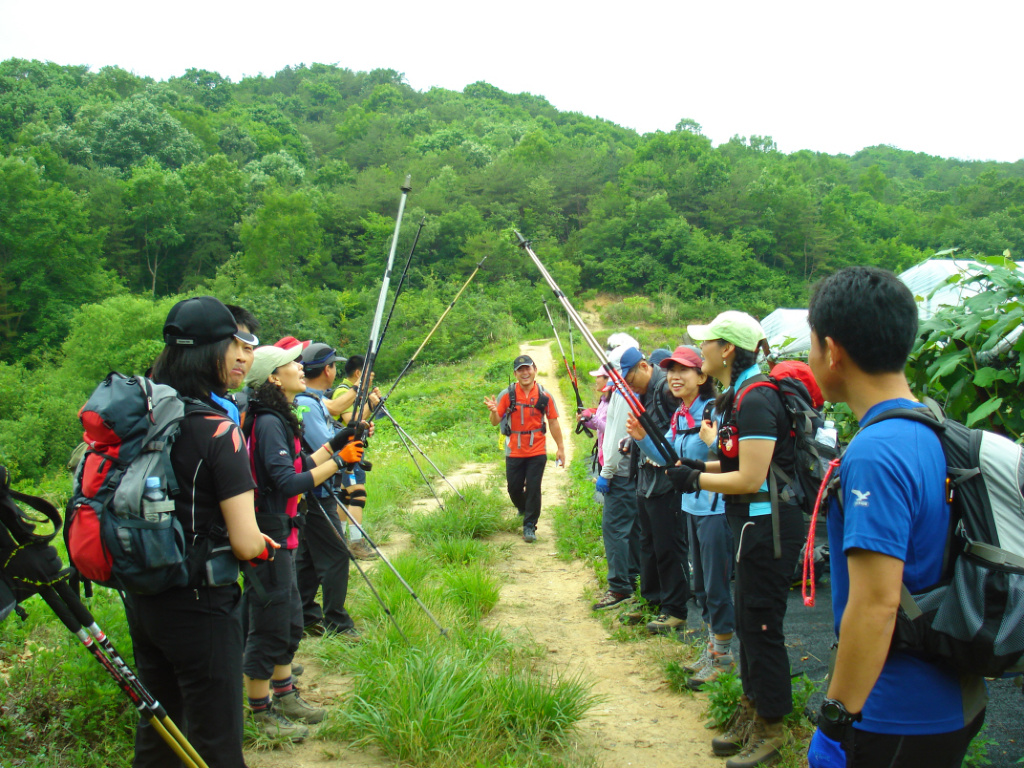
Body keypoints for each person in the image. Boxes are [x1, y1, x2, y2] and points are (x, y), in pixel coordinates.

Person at [805, 266, 986, 768]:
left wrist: (836, 719)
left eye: (812, 345)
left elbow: (877, 605)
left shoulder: (877, 452)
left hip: (895, 711)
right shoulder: (931, 428)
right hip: (951, 694)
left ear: (833, 351)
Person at [131, 296, 272, 768]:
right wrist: (259, 545)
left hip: (144, 593)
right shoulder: (216, 430)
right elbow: (246, 542)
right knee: (216, 738)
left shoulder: (144, 419)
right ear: (207, 353)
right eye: (230, 343)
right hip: (202, 603)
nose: (240, 354)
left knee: (159, 729)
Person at [671, 311, 802, 768]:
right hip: (750, 524)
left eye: (706, 342)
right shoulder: (738, 395)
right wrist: (693, 471)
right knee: (749, 621)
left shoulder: (756, 399)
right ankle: (754, 711)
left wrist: (695, 479)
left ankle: (772, 728)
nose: (700, 349)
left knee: (762, 625)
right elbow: (733, 469)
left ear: (727, 349)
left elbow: (750, 477)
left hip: (768, 528)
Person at [242, 345, 363, 740]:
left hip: (285, 531)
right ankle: (262, 713)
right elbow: (287, 482)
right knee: (270, 622)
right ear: (274, 378)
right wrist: (341, 461)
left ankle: (286, 694)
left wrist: (336, 444)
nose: (300, 367)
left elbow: (299, 465)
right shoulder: (268, 422)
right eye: (290, 364)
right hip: (271, 535)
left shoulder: (279, 416)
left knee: (289, 617)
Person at [629, 346, 733, 685]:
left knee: (716, 586)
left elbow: (735, 459)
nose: (674, 376)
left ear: (702, 376)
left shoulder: (715, 412)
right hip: (691, 507)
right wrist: (643, 440)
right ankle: (712, 649)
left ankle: (723, 658)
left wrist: (714, 441)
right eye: (670, 370)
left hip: (716, 510)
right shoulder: (680, 415)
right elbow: (668, 457)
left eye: (683, 370)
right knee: (701, 587)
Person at [615, 347, 688, 635]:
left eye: (631, 376)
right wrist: (632, 442)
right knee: (648, 543)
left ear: (645, 366)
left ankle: (674, 609)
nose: (629, 383)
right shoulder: (643, 393)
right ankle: (652, 600)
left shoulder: (664, 389)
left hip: (667, 480)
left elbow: (673, 434)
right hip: (646, 479)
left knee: (668, 545)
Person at [293, 342, 364, 636]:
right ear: (328, 369)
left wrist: (353, 430)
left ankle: (305, 615)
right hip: (316, 492)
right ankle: (337, 621)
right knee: (336, 555)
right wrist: (345, 444)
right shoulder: (306, 404)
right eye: (334, 365)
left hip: (315, 492)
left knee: (308, 558)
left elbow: (332, 434)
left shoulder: (315, 400)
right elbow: (325, 444)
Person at [484, 354, 566, 543]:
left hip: (537, 451)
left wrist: (560, 448)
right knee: (513, 489)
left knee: (534, 488)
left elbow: (553, 422)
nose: (525, 373)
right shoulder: (507, 395)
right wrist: (494, 412)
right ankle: (523, 508)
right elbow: (495, 422)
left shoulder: (545, 396)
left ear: (535, 370)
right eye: (520, 370)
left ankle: (530, 526)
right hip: (514, 451)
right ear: (515, 374)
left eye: (528, 368)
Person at [592, 343, 641, 611]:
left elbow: (616, 437)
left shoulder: (623, 393)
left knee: (615, 530)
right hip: (630, 470)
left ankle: (620, 587)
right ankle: (633, 578)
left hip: (621, 472)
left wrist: (607, 473)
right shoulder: (627, 390)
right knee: (632, 529)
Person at [325, 352, 379, 559]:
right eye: (369, 376)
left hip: (352, 449)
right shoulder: (343, 391)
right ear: (359, 373)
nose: (371, 379)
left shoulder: (350, 391)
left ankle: (338, 541)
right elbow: (350, 420)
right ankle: (356, 543)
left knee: (345, 497)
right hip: (343, 451)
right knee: (357, 494)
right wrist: (370, 405)